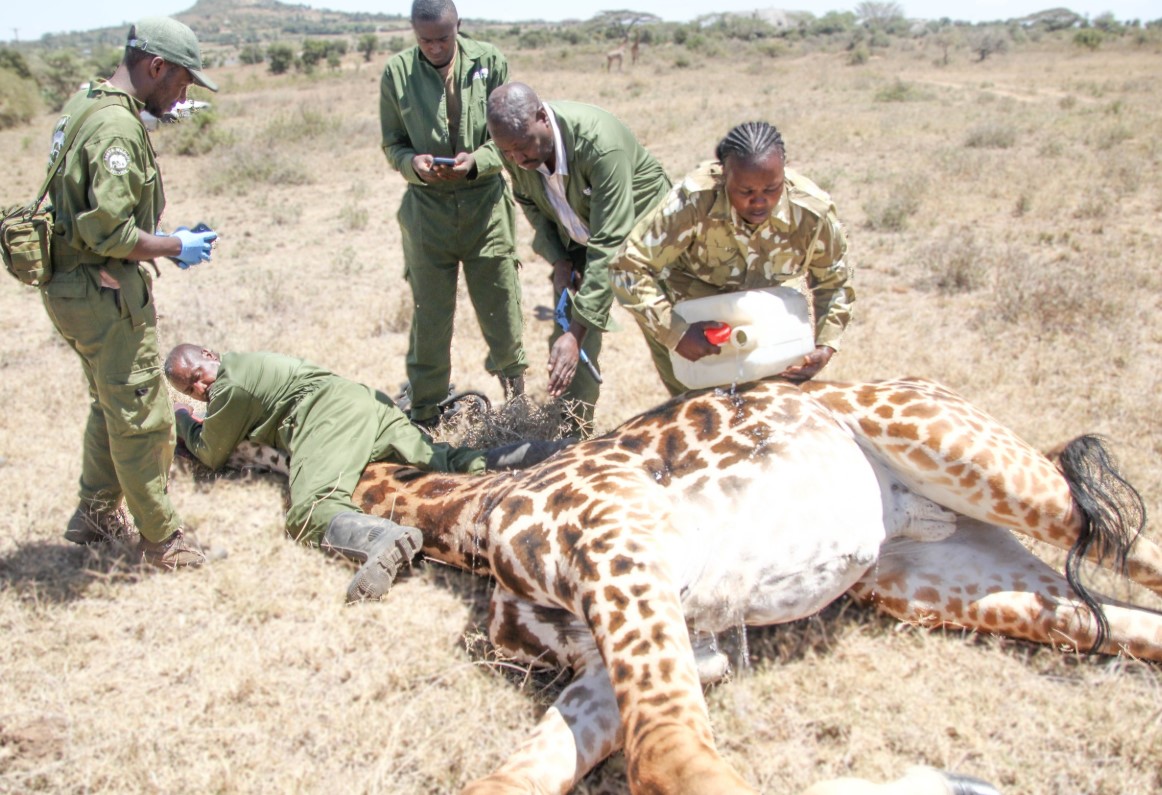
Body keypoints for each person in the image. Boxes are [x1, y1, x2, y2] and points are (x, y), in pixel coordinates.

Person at [163, 344, 568, 602]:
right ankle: (549, 455)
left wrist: (182, 417)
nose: (200, 389)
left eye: (198, 376)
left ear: (211, 356)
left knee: (310, 510)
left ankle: (383, 540)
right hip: (362, 401)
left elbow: (209, 452)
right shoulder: (246, 365)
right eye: (189, 390)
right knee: (445, 460)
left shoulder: (229, 387)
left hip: (326, 418)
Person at [42, 18, 220, 569]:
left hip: (74, 289)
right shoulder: (116, 128)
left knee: (110, 403)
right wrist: (172, 246)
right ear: (156, 66)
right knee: (144, 416)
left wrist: (166, 241)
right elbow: (108, 232)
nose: (183, 95)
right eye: (183, 82)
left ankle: (92, 516)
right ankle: (162, 540)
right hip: (103, 293)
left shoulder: (86, 104)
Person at [611, 121, 855, 395]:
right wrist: (675, 331)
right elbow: (627, 268)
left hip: (767, 313)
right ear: (724, 175)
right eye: (746, 191)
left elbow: (835, 282)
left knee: (772, 408)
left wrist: (825, 346)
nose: (759, 201)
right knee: (700, 412)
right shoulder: (693, 202)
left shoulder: (811, 213)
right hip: (695, 316)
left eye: (771, 189)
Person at [486, 82, 671, 437]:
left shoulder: (598, 145)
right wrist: (560, 259)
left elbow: (611, 242)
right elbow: (527, 199)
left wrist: (576, 334)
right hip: (586, 238)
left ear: (542, 116)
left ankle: (700, 415)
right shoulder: (517, 148)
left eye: (523, 147)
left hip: (647, 236)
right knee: (568, 338)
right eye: (506, 153)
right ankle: (573, 436)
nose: (518, 160)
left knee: (668, 331)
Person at [380, 0, 527, 430]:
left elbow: (509, 135)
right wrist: (414, 164)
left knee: (501, 304)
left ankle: (517, 403)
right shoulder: (397, 73)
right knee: (430, 314)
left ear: (458, 27)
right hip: (427, 212)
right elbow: (392, 143)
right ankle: (426, 413)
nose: (433, 47)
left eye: (443, 38)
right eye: (424, 39)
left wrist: (478, 160)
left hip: (485, 206)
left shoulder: (489, 61)